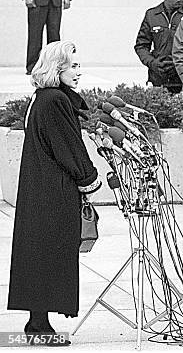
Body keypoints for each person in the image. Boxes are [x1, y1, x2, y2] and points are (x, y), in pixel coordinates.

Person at [8, 41, 101, 345]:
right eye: (72, 66)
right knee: (49, 255)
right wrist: (89, 178)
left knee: (41, 255)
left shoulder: (44, 98)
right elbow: (68, 147)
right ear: (57, 67)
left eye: (78, 65)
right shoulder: (54, 101)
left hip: (42, 190)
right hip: (52, 192)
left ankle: (39, 322)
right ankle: (38, 325)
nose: (78, 71)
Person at [134, 0, 183, 94]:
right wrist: (152, 63)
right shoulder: (152, 15)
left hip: (181, 77)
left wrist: (181, 64)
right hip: (158, 77)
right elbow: (141, 46)